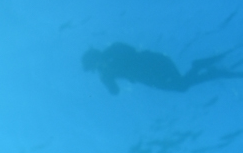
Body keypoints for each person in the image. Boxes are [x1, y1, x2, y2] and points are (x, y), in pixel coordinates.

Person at [82, 42, 243, 95]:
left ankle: (206, 69)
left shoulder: (113, 50)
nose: (96, 69)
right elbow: (114, 92)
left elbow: (132, 54)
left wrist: (108, 70)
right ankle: (203, 68)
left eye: (94, 66)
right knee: (181, 86)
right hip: (152, 71)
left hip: (154, 66)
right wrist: (106, 77)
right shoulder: (107, 71)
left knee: (181, 86)